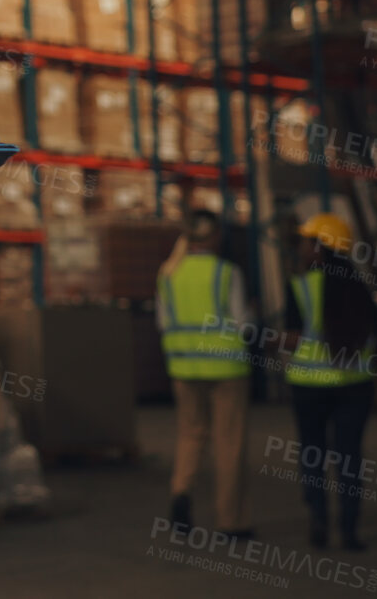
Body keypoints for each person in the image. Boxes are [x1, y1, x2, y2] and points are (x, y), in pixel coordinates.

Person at [282, 212, 377, 551]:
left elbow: (293, 338)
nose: (301, 249)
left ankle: (319, 521)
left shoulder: (299, 285)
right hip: (355, 386)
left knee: (313, 454)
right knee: (349, 457)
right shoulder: (360, 286)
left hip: (308, 386)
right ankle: (350, 529)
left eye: (307, 242)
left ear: (320, 247)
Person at [154, 209, 254, 539]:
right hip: (226, 368)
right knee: (229, 441)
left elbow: (163, 323)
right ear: (214, 237)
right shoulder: (227, 273)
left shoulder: (168, 273)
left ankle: (181, 492)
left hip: (184, 367)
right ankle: (230, 521)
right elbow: (243, 324)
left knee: (190, 435)